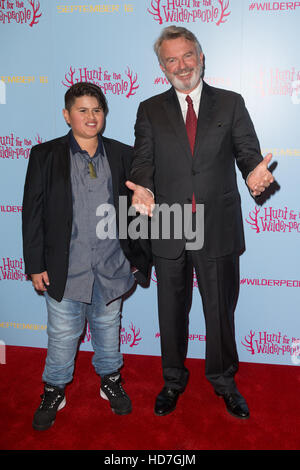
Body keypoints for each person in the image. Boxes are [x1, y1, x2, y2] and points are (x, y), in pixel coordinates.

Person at [126, 26, 274, 419]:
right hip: (170, 225)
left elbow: (247, 153)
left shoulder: (230, 103)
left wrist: (253, 174)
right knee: (171, 312)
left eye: (187, 55)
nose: (182, 65)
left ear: (201, 56)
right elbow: (143, 160)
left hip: (218, 225)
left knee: (220, 313)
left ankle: (224, 381)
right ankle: (172, 380)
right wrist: (142, 187)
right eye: (171, 59)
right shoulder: (149, 109)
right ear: (162, 67)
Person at [22, 82, 150, 431]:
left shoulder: (124, 154)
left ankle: (110, 379)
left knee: (108, 328)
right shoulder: (45, 155)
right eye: (82, 110)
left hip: (112, 266)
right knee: (63, 334)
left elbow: (135, 212)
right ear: (67, 115)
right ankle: (54, 388)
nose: (91, 116)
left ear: (104, 114)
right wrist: (35, 265)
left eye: (97, 109)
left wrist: (138, 257)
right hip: (65, 268)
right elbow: (32, 213)